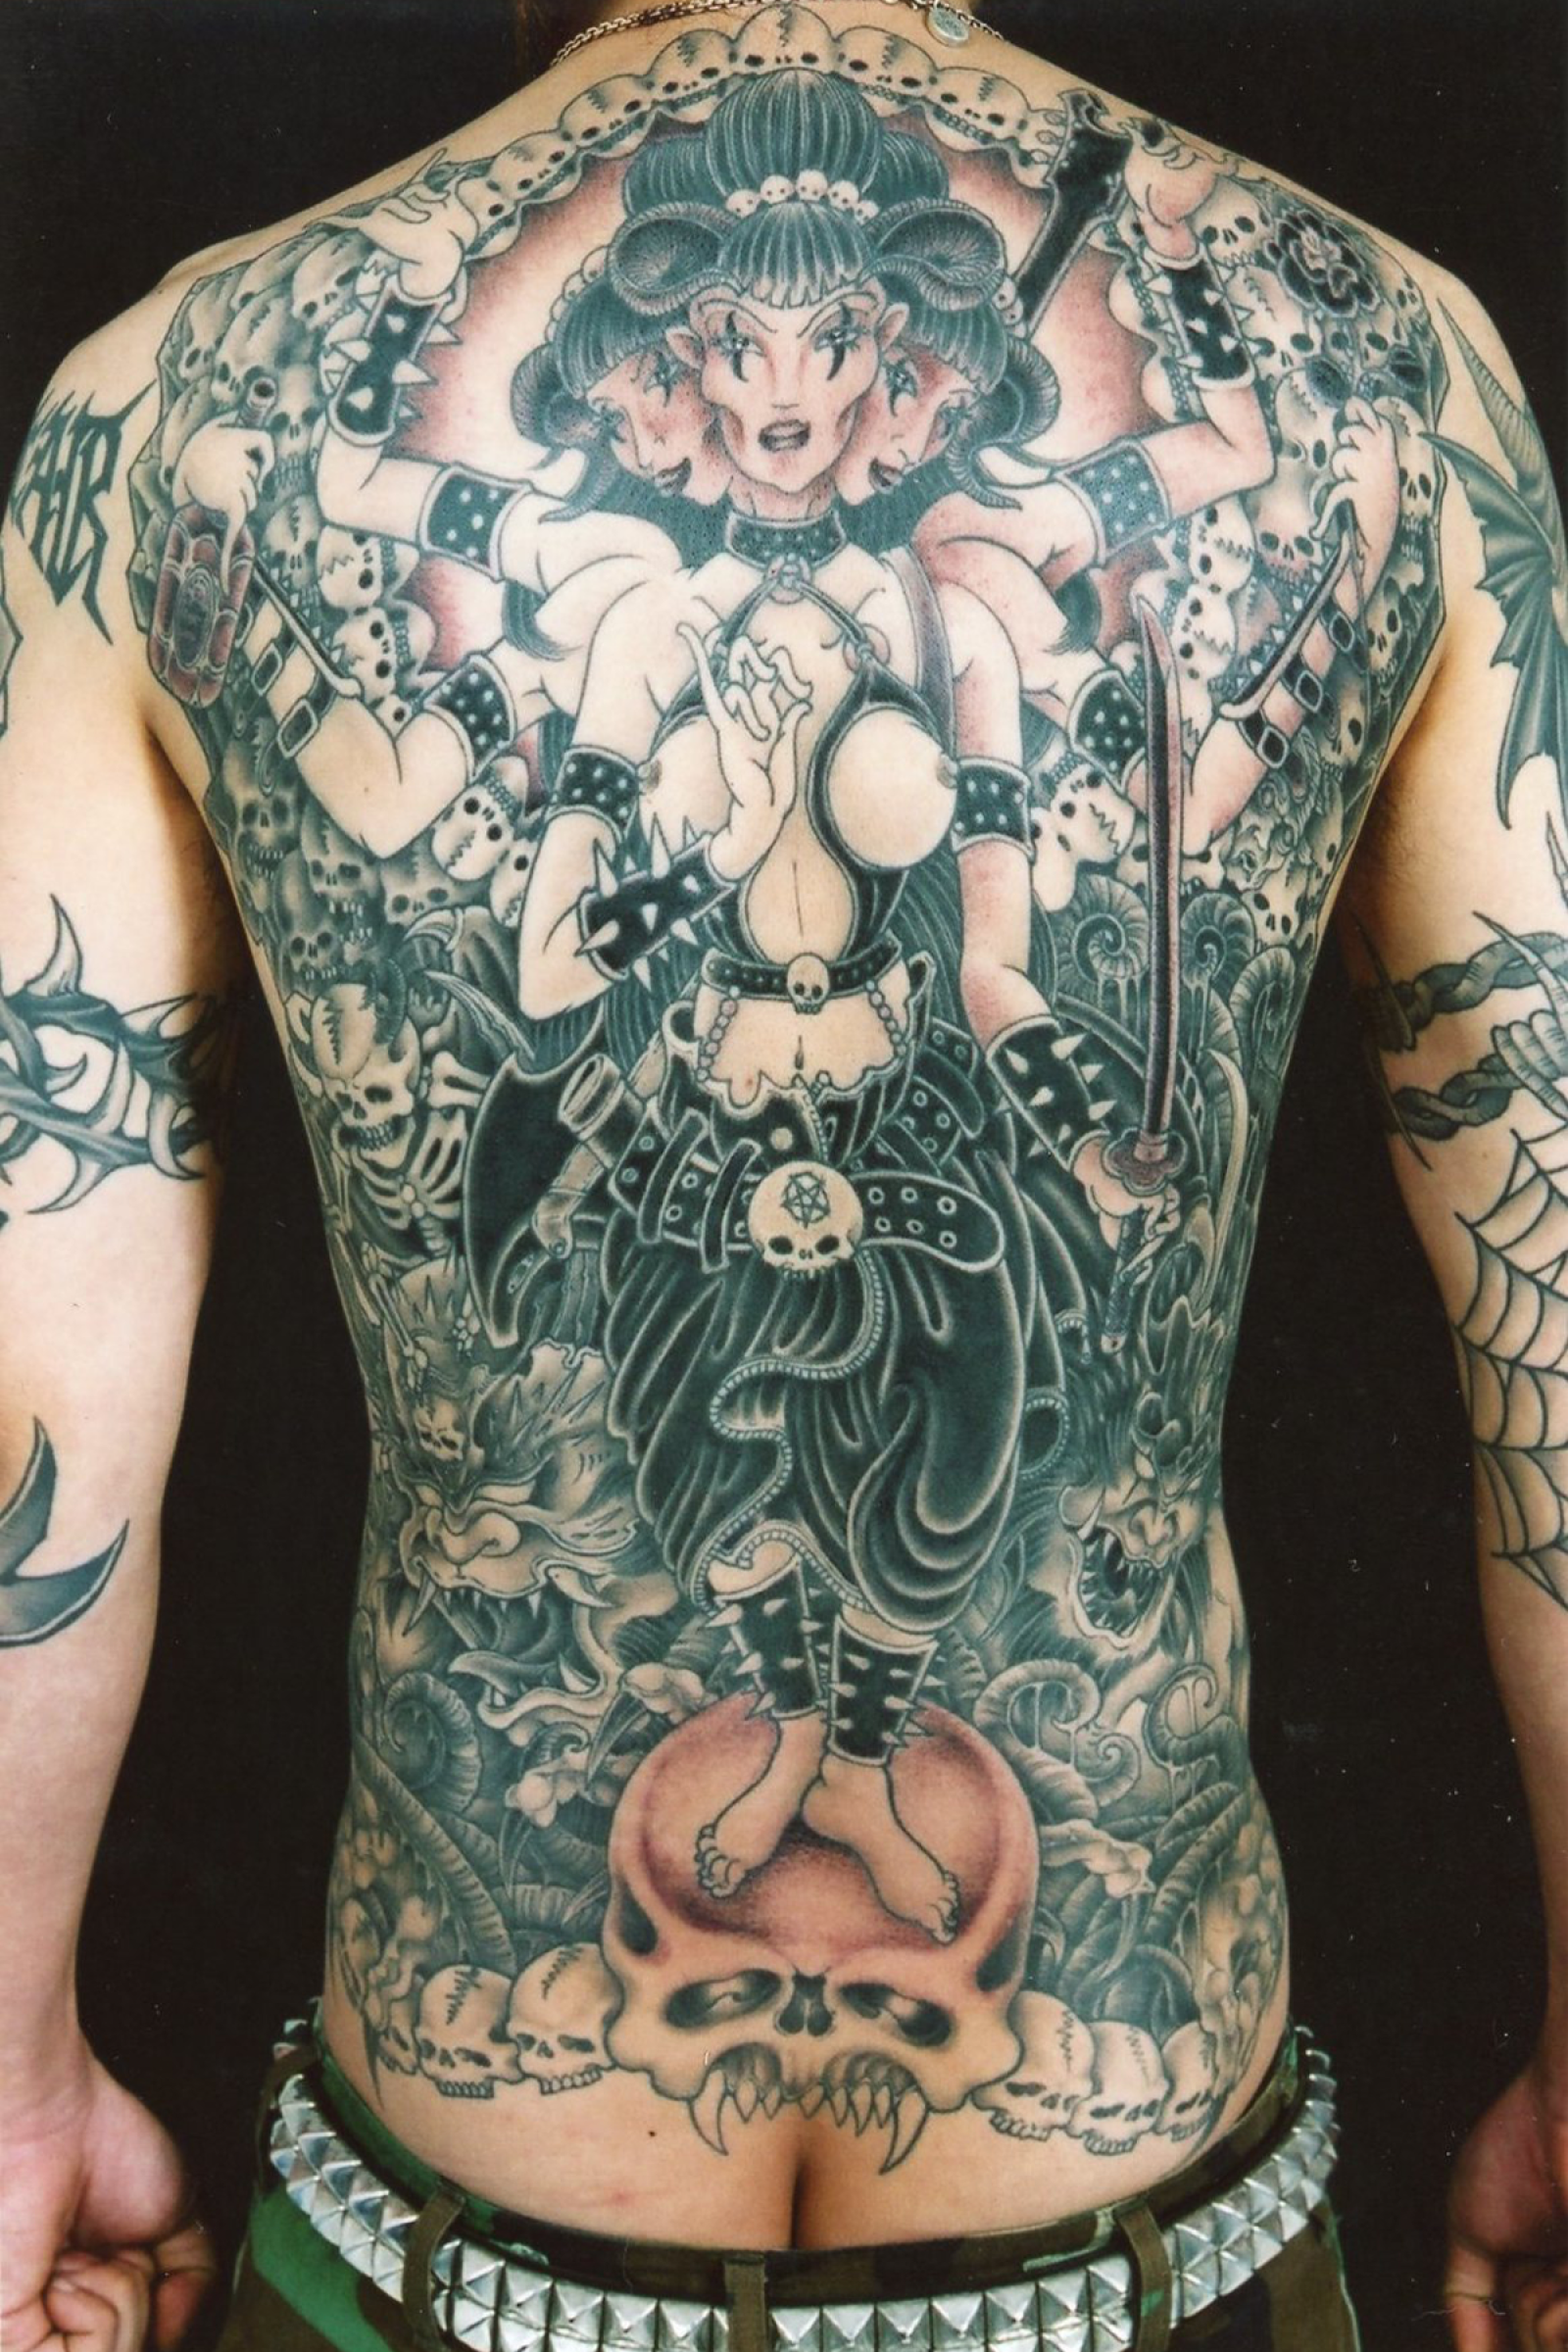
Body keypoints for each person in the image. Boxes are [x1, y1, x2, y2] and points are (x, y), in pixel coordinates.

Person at [0, 6, 1562, 2352]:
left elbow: (36, 1361)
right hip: (1140, 2224)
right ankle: (797, 1741)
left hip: (471, 2220)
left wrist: (0, 2086)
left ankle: (845, 1750)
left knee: (927, 1449)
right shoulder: (1395, 379)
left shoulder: (165, 409)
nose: (782, 397)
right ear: (653, 368)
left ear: (915, 364)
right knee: (711, 1445)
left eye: (837, 352)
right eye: (729, 349)